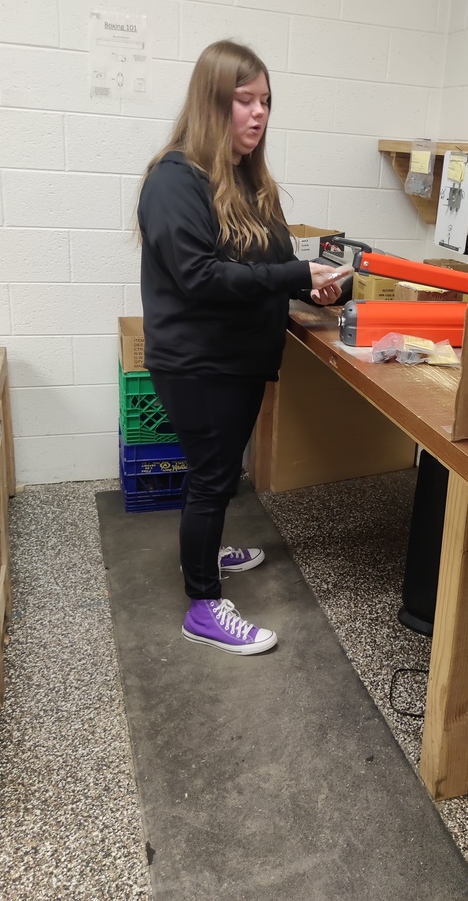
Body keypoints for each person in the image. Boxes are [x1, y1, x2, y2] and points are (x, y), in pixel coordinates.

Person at [137, 39, 346, 656]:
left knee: (220, 472)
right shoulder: (174, 181)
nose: (258, 114)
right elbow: (200, 276)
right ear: (212, 102)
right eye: (244, 100)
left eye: (266, 102)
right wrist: (294, 277)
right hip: (199, 363)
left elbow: (277, 261)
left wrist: (320, 289)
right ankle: (202, 604)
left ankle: (209, 551)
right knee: (210, 476)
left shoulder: (250, 180)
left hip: (238, 359)